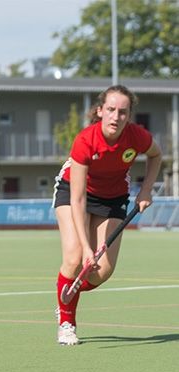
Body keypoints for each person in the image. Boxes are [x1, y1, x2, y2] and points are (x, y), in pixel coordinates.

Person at [52, 85, 162, 345]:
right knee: (75, 255)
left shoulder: (137, 137)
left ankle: (69, 291)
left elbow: (156, 156)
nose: (116, 117)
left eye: (122, 112)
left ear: (129, 115)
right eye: (111, 110)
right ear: (100, 111)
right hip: (74, 192)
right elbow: (78, 200)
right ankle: (67, 320)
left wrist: (145, 190)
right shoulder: (86, 140)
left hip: (112, 198)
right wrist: (87, 248)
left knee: (102, 272)